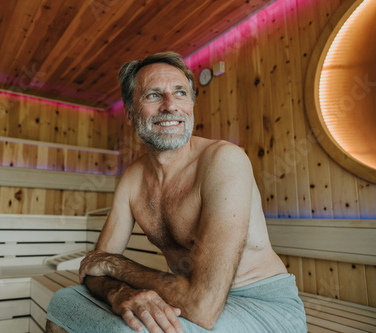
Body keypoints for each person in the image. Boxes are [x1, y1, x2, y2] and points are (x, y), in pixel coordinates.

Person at [46, 52, 307, 332]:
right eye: (153, 95)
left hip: (263, 307)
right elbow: (93, 268)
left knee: (132, 331)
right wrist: (117, 292)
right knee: (63, 303)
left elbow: (203, 307)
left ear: (191, 104)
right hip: (189, 299)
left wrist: (117, 267)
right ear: (131, 114)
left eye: (180, 93)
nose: (170, 106)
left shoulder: (223, 161)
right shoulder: (133, 180)